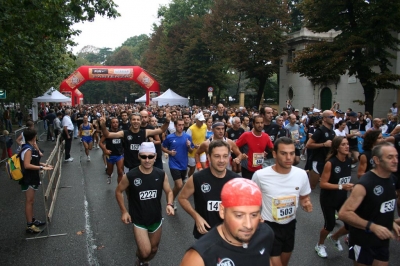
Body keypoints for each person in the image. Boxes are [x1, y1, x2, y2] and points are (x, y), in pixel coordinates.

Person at [180, 178, 275, 266]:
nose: (248, 225)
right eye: (239, 215)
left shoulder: (266, 234)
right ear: (222, 211)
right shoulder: (198, 258)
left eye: (254, 215)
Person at [252, 137, 312, 266]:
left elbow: (304, 196)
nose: (289, 157)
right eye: (283, 153)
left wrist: (306, 203)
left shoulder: (301, 174)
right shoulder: (260, 175)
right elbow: (251, 201)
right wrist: (255, 217)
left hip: (290, 225)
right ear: (274, 154)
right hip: (268, 226)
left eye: (292, 153)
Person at [339, 142, 400, 266]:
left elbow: (380, 207)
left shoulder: (392, 180)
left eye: (396, 156)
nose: (395, 160)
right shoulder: (365, 184)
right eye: (390, 157)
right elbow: (344, 213)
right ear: (377, 160)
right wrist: (372, 226)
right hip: (363, 240)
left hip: (382, 240)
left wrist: (391, 222)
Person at [115, 142, 175, 266]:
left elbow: (169, 191)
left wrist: (169, 204)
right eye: (143, 157)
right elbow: (118, 191)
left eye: (150, 156)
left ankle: (143, 261)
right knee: (145, 251)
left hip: (156, 219)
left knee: (153, 250)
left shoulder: (161, 174)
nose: (147, 160)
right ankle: (140, 258)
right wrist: (124, 211)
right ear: (139, 156)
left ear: (155, 156)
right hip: (138, 220)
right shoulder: (131, 175)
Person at [178, 140, 239, 239]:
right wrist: (196, 217)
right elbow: (182, 198)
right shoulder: (197, 178)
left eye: (225, 156)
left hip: (229, 235)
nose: (221, 160)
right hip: (205, 235)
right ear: (209, 157)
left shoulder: (236, 180)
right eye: (217, 156)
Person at [315, 136, 353, 258]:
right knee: (329, 225)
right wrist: (342, 187)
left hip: (342, 198)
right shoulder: (330, 163)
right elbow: (323, 184)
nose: (347, 146)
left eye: (347, 144)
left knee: (350, 223)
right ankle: (319, 244)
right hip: (328, 199)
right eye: (343, 144)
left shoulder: (348, 160)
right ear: (336, 148)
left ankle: (335, 237)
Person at [100, 112, 170, 173]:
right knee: (128, 186)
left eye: (138, 119)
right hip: (128, 165)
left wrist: (167, 121)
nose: (136, 121)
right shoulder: (124, 133)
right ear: (130, 121)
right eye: (133, 119)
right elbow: (108, 135)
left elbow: (161, 130)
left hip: (141, 164)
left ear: (140, 121)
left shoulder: (145, 132)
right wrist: (103, 125)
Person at [20, 128, 53, 233]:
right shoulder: (28, 149)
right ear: (34, 137)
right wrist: (42, 168)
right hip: (28, 178)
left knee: (31, 200)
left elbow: (32, 161)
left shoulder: (29, 147)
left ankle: (32, 220)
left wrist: (43, 164)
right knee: (29, 201)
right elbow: (27, 165)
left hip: (32, 177)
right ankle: (30, 225)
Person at [162, 119, 194, 209]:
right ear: (175, 126)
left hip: (183, 164)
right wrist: (169, 152)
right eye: (179, 125)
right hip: (173, 164)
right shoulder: (170, 137)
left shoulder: (187, 137)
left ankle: (172, 197)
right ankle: (171, 201)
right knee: (179, 185)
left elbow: (191, 150)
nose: (181, 127)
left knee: (178, 186)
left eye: (182, 125)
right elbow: (162, 147)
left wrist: (189, 146)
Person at [305, 110, 336, 189]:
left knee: (327, 184)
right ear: (325, 119)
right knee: (312, 186)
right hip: (318, 160)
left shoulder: (332, 132)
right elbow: (308, 144)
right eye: (331, 117)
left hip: (328, 161)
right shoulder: (320, 131)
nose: (333, 118)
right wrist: (324, 144)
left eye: (334, 117)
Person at [99, 117, 124, 184]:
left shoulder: (121, 132)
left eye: (117, 122)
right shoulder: (107, 133)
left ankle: (119, 187)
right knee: (109, 171)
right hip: (110, 155)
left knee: (120, 171)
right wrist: (105, 150)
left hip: (119, 155)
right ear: (111, 124)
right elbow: (100, 142)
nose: (115, 124)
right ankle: (109, 176)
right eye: (113, 122)